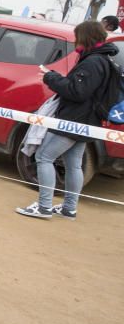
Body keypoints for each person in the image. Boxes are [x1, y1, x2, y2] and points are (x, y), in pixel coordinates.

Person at [16, 20, 119, 219]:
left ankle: (44, 206)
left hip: (73, 120)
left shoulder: (93, 61)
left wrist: (51, 78)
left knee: (44, 157)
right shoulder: (103, 59)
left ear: (85, 37)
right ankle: (69, 208)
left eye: (77, 36)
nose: (75, 41)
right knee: (73, 164)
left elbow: (77, 91)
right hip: (86, 121)